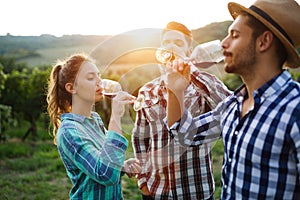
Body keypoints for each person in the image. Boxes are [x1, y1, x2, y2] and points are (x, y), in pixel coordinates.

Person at [166, 0, 300, 199]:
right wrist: (174, 91)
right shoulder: (232, 105)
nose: (223, 43)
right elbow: (186, 135)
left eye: (234, 35)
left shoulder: (295, 110)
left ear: (263, 42)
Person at [132, 21, 231, 199]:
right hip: (156, 191)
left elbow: (234, 107)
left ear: (188, 51)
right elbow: (140, 138)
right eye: (167, 42)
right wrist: (143, 182)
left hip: (196, 191)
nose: (172, 46)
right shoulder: (146, 91)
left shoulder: (205, 84)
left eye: (179, 43)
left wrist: (190, 71)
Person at [46, 53, 141, 199]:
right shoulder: (69, 132)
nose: (100, 82)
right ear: (71, 88)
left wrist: (122, 166)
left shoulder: (95, 119)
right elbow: (105, 174)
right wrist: (115, 116)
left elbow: (103, 158)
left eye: (99, 76)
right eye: (91, 78)